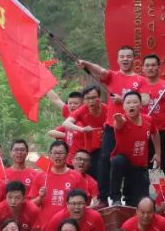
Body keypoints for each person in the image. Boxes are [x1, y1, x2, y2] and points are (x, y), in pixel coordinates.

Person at [77, 46, 144, 190]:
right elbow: (101, 71)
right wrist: (86, 64)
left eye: (128, 56)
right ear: (118, 60)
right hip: (111, 127)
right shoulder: (112, 76)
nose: (125, 59)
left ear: (134, 59)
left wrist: (124, 100)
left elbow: (144, 101)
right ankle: (103, 194)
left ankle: (130, 194)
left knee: (130, 161)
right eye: (122, 56)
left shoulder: (140, 80)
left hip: (131, 128)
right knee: (105, 158)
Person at [108, 90, 160, 205]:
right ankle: (116, 199)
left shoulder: (148, 120)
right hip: (123, 162)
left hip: (139, 165)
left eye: (135, 102)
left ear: (140, 105)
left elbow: (155, 133)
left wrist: (157, 153)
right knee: (117, 161)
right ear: (124, 106)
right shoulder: (121, 120)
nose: (131, 105)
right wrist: (119, 120)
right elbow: (119, 124)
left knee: (140, 200)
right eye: (128, 103)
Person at [62, 85, 111, 194]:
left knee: (102, 172)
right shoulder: (82, 110)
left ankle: (103, 197)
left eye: (94, 97)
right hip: (89, 150)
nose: (91, 101)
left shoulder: (107, 109)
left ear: (99, 97)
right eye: (88, 98)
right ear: (84, 100)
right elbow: (66, 123)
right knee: (87, 177)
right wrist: (82, 129)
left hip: (104, 148)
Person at [138, 53, 165, 166]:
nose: (150, 68)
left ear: (159, 67)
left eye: (153, 65)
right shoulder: (138, 86)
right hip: (145, 132)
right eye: (147, 65)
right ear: (143, 68)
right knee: (147, 168)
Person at [31, 141, 84, 230]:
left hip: (69, 228)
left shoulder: (76, 176)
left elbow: (84, 203)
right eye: (55, 153)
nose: (57, 156)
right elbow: (31, 205)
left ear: (67, 155)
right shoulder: (41, 176)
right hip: (44, 227)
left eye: (60, 153)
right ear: (50, 154)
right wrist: (40, 197)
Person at [41, 189, 105, 231]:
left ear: (86, 204)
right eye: (73, 203)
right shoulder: (58, 218)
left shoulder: (95, 217)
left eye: (80, 203)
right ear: (67, 204)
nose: (77, 207)